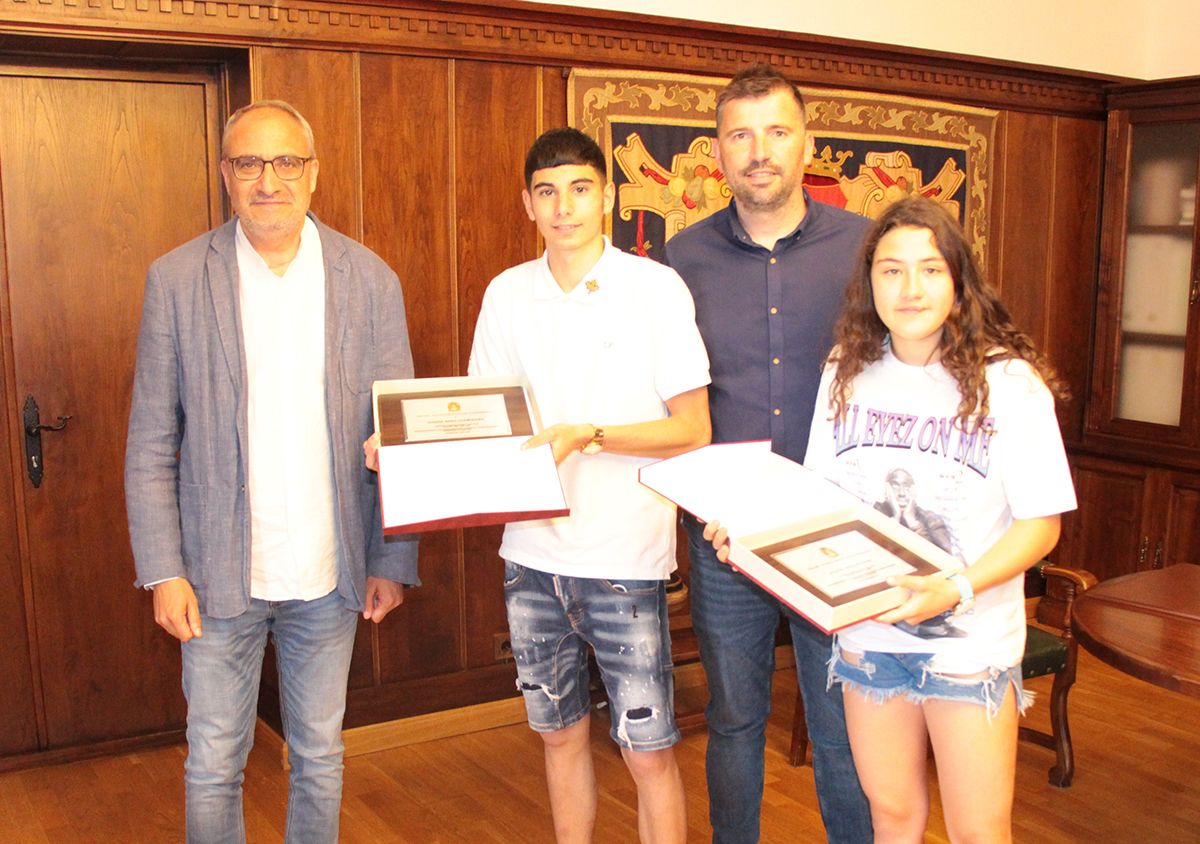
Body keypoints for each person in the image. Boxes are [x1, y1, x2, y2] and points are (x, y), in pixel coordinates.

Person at [713, 195, 1076, 842]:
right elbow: (818, 500)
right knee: (893, 817)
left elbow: (1040, 526)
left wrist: (955, 587)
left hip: (967, 646)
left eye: (930, 269)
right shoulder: (846, 370)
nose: (911, 289)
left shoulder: (1011, 385)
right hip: (870, 640)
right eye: (892, 270)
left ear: (959, 280)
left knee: (978, 831)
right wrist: (747, 528)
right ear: (869, 282)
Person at [125, 100, 418, 844]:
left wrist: (391, 559)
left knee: (319, 756)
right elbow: (152, 440)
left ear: (313, 173)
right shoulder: (177, 279)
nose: (269, 180)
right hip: (216, 577)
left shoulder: (370, 280)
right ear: (226, 174)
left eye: (286, 161)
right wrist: (163, 571)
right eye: (250, 163)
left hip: (329, 571)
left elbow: (402, 436)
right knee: (213, 761)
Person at [469, 127, 711, 843]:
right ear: (527, 203)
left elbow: (692, 428)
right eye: (547, 192)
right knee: (558, 735)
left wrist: (590, 435)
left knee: (648, 751)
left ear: (606, 196)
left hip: (623, 559)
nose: (563, 207)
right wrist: (403, 448)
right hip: (530, 555)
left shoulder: (655, 288)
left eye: (579, 189)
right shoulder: (507, 293)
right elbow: (482, 420)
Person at [662, 64, 873, 843]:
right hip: (727, 540)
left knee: (842, 726)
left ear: (807, 144)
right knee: (734, 720)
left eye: (777, 132)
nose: (760, 151)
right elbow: (666, 396)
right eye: (741, 135)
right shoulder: (680, 261)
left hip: (835, 532)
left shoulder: (865, 249)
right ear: (716, 151)